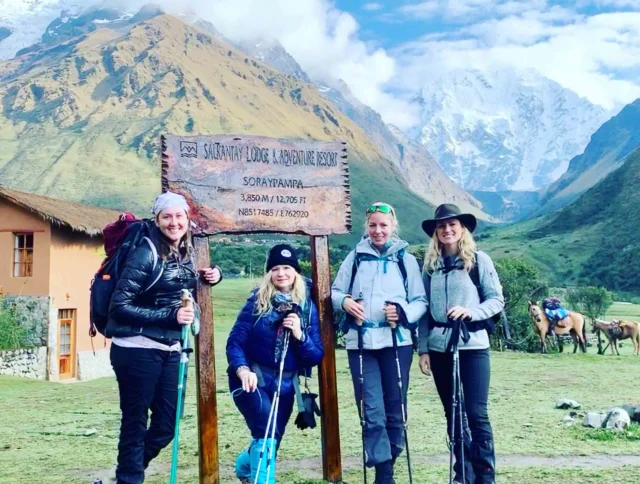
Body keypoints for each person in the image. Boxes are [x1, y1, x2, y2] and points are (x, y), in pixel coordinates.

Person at [108, 191, 221, 484]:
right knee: (135, 422)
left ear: (187, 218)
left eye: (179, 216)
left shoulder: (187, 250)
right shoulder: (146, 251)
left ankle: (126, 472)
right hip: (135, 348)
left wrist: (211, 276)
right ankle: (129, 478)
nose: (174, 222)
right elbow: (119, 306)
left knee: (166, 426)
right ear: (157, 220)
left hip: (171, 348)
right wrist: (169, 317)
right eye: (167, 217)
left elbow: (176, 285)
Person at [331, 202, 427, 484]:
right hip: (361, 343)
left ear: (392, 226)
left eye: (383, 225)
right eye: (373, 225)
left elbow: (420, 301)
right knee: (371, 410)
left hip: (397, 342)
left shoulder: (405, 259)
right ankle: (383, 474)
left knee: (396, 408)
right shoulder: (355, 258)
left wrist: (402, 312)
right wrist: (346, 302)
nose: (378, 230)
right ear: (367, 227)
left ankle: (388, 466)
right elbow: (335, 292)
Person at [418, 203, 504, 484]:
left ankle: (485, 476)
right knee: (452, 413)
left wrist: (471, 312)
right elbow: (423, 310)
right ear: (436, 232)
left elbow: (495, 300)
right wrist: (423, 349)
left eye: (452, 224)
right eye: (441, 226)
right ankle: (462, 474)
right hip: (440, 349)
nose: (446, 229)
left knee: (476, 413)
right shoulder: (430, 267)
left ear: (462, 228)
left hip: (473, 347)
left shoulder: (480, 261)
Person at [226, 244, 324, 484]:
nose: (281, 273)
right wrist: (242, 369)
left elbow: (315, 356)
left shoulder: (308, 307)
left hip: (286, 384)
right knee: (265, 431)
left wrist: (301, 335)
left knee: (272, 439)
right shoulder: (256, 302)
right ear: (269, 272)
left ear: (296, 272)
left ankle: (244, 465)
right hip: (252, 379)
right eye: (276, 268)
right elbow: (234, 343)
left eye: (287, 268)